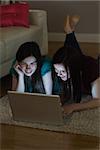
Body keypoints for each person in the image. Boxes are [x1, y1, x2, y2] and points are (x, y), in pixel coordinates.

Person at [52, 15, 100, 114]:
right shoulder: (72, 65)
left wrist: (74, 107)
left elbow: (98, 100)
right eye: (57, 71)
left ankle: (70, 32)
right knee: (70, 53)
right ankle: (70, 32)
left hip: (95, 64)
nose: (59, 75)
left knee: (73, 57)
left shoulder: (91, 68)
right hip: (77, 62)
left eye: (62, 71)